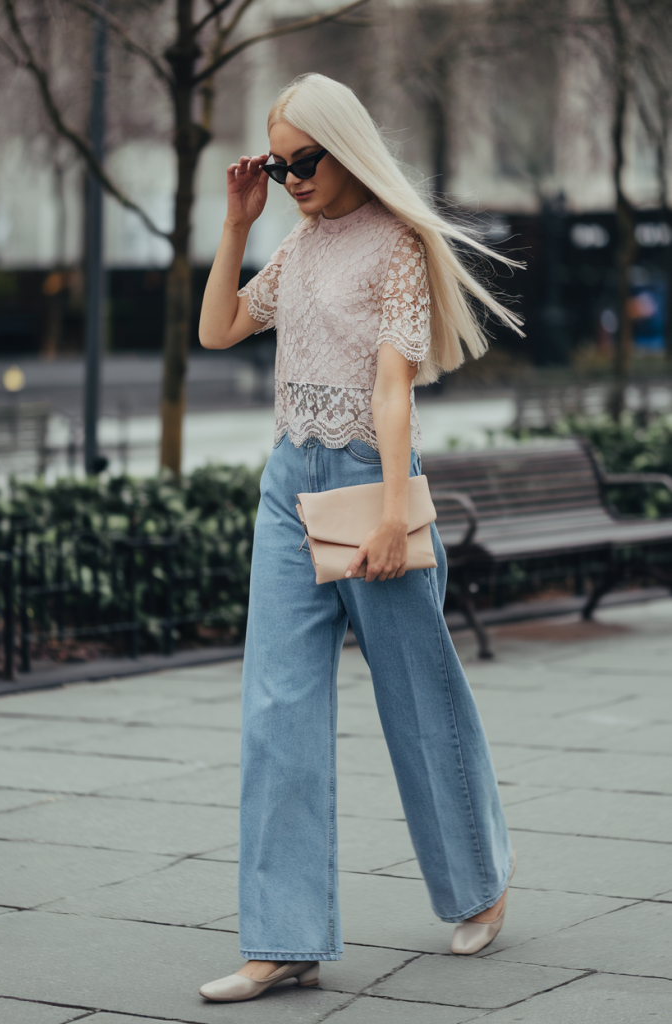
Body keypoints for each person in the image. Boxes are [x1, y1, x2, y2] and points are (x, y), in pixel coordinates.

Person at [197, 73, 522, 1003]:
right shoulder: (295, 247)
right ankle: (283, 938)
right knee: (275, 708)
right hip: (285, 486)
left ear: (346, 148)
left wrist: (389, 510)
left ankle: (479, 885)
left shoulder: (397, 251)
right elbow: (219, 327)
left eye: (306, 160)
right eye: (279, 162)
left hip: (366, 483)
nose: (293, 176)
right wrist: (236, 219)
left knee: (419, 701)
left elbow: (391, 393)